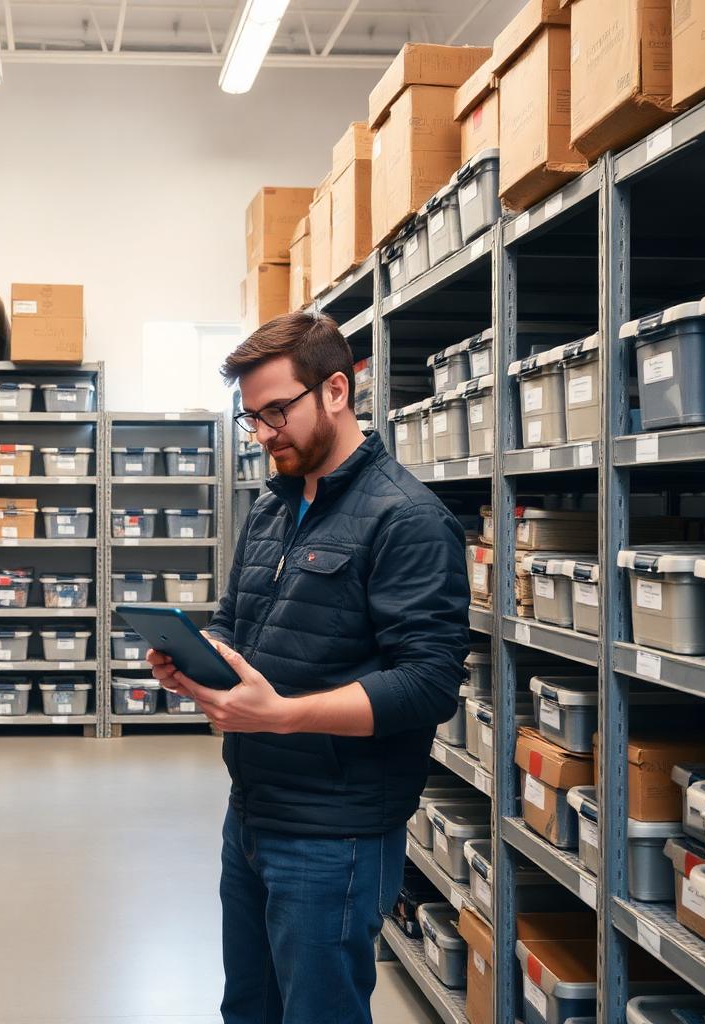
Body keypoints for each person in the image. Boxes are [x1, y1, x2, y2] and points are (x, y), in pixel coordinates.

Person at [148, 311, 470, 1024]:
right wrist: (199, 661)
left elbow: (427, 685)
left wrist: (284, 715)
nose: (263, 434)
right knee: (249, 1009)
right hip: (253, 812)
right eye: (251, 418)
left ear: (336, 389)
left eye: (275, 412)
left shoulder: (408, 519)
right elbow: (237, 620)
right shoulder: (272, 506)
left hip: (336, 834)